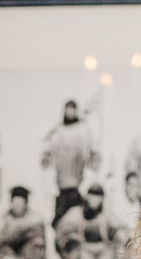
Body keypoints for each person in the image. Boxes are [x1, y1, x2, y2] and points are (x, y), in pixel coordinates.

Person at [40, 98, 98, 235]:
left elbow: (92, 154)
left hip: (79, 187)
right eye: (68, 110)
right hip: (61, 187)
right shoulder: (58, 131)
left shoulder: (84, 131)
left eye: (73, 110)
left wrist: (93, 169)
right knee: (59, 221)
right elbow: (47, 156)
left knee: (79, 220)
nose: (70, 113)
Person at [53, 181, 132, 259]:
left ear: (102, 199)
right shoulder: (76, 213)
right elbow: (60, 230)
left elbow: (124, 229)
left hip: (104, 253)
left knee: (122, 238)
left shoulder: (106, 214)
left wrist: (124, 238)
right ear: (87, 197)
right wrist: (71, 240)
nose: (94, 199)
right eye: (92, 195)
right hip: (83, 252)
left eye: (97, 196)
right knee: (76, 253)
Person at [0, 184, 47, 259]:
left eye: (20, 202)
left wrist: (23, 234)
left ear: (25, 203)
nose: (17, 205)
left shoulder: (35, 218)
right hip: (8, 251)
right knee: (0, 252)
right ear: (11, 202)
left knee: (37, 244)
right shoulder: (3, 219)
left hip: (26, 254)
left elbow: (40, 239)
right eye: (15, 202)